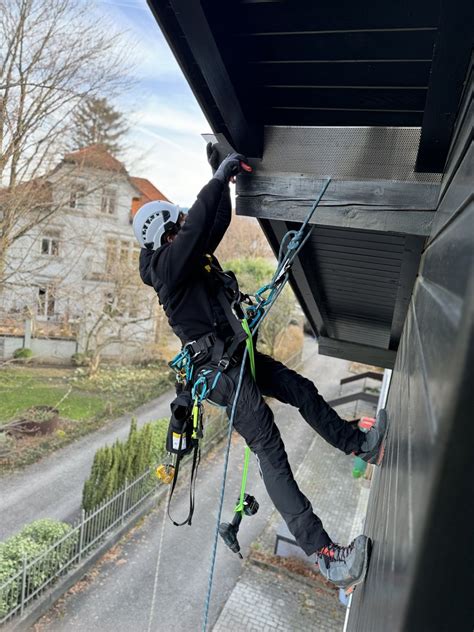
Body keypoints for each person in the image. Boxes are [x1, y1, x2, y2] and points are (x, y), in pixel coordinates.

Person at [133, 145, 387, 592]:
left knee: (300, 387)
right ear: (163, 238)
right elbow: (193, 234)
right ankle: (326, 556)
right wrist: (214, 182)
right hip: (222, 376)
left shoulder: (184, 256)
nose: (181, 234)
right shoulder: (166, 271)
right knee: (271, 450)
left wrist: (220, 178)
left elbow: (213, 224)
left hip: (236, 356)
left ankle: (359, 444)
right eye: (174, 230)